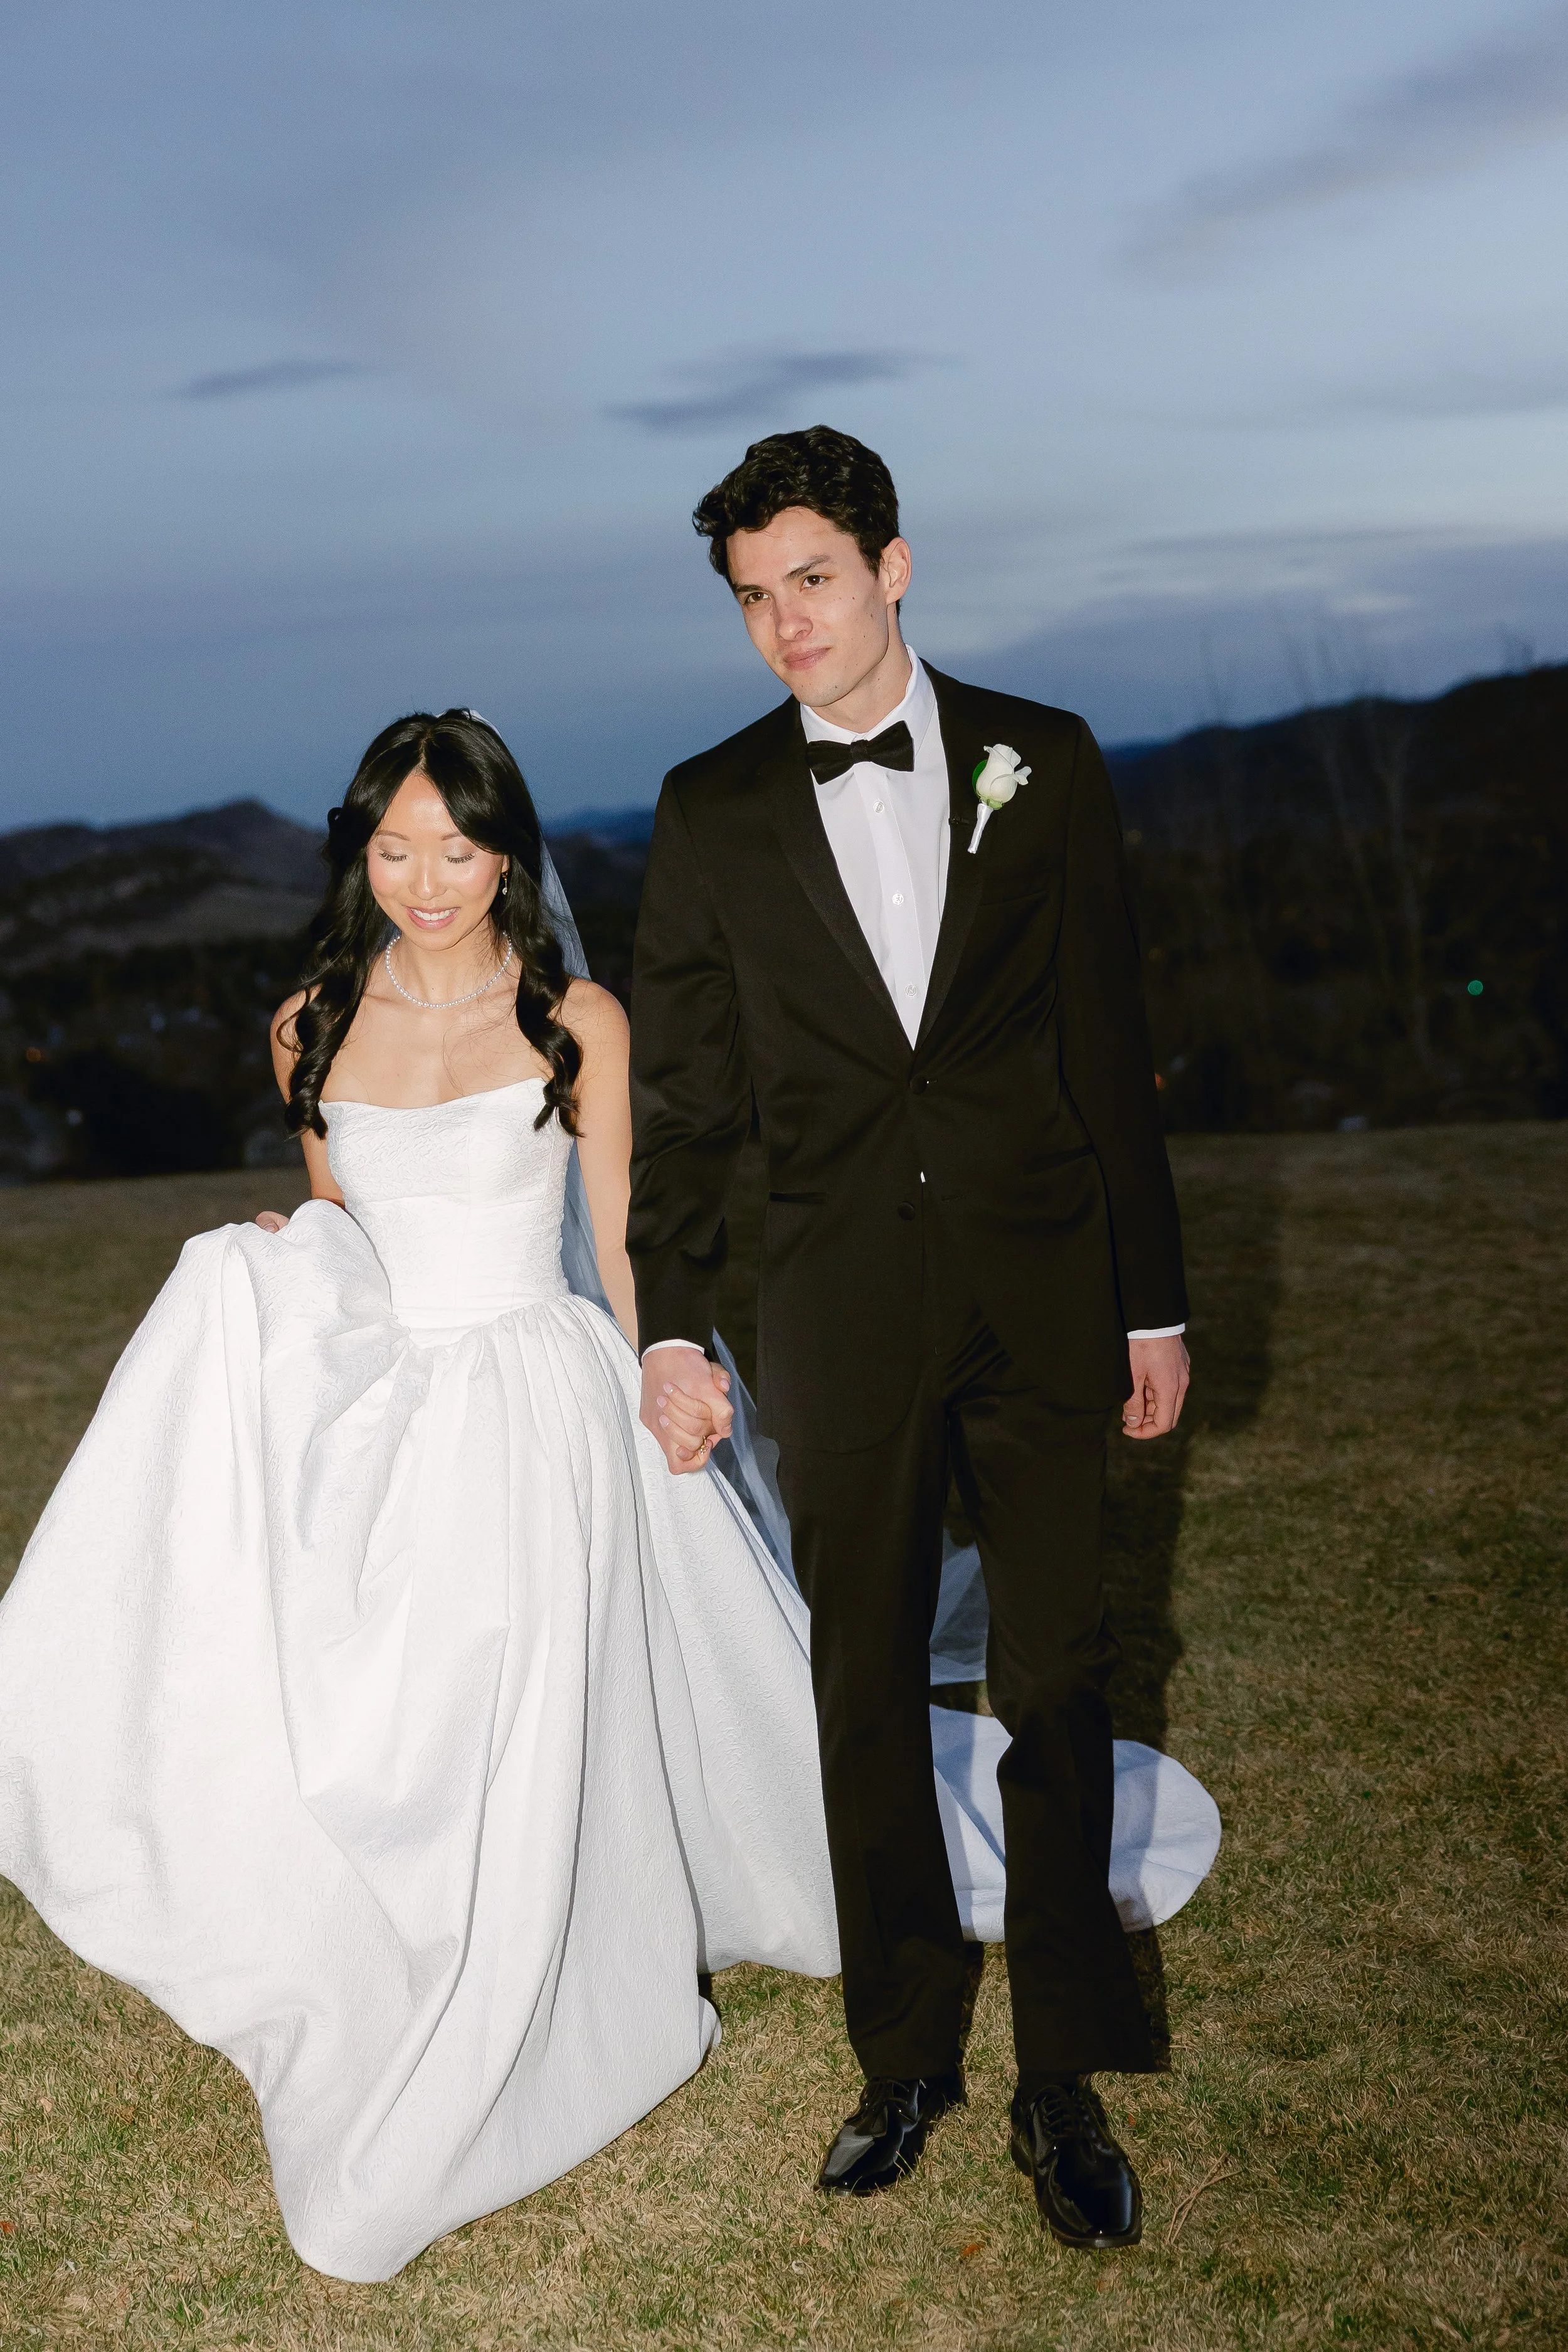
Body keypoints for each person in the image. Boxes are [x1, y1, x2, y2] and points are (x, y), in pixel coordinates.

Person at [0, 710, 844, 2282]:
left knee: (521, 1672)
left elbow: (623, 1228)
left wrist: (664, 1356)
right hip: (399, 1394)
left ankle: (546, 1930)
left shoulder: (576, 1015)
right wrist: (279, 1258)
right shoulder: (308, 1018)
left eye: (454, 849)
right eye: (393, 849)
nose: (424, 880)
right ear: (360, 854)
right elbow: (346, 1235)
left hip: (539, 1386)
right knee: (383, 1694)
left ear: (504, 850)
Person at [628, 426, 1191, 2249]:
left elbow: (1108, 1044)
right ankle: (903, 2053)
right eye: (750, 597)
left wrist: (1149, 1297)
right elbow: (693, 1102)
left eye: (807, 577)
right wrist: (672, 1322)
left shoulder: (1052, 761)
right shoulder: (708, 807)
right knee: (860, 1683)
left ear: (891, 563)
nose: (782, 622)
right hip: (842, 1307)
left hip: (1040, 1288)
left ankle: (1061, 2075)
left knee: (1055, 1676)